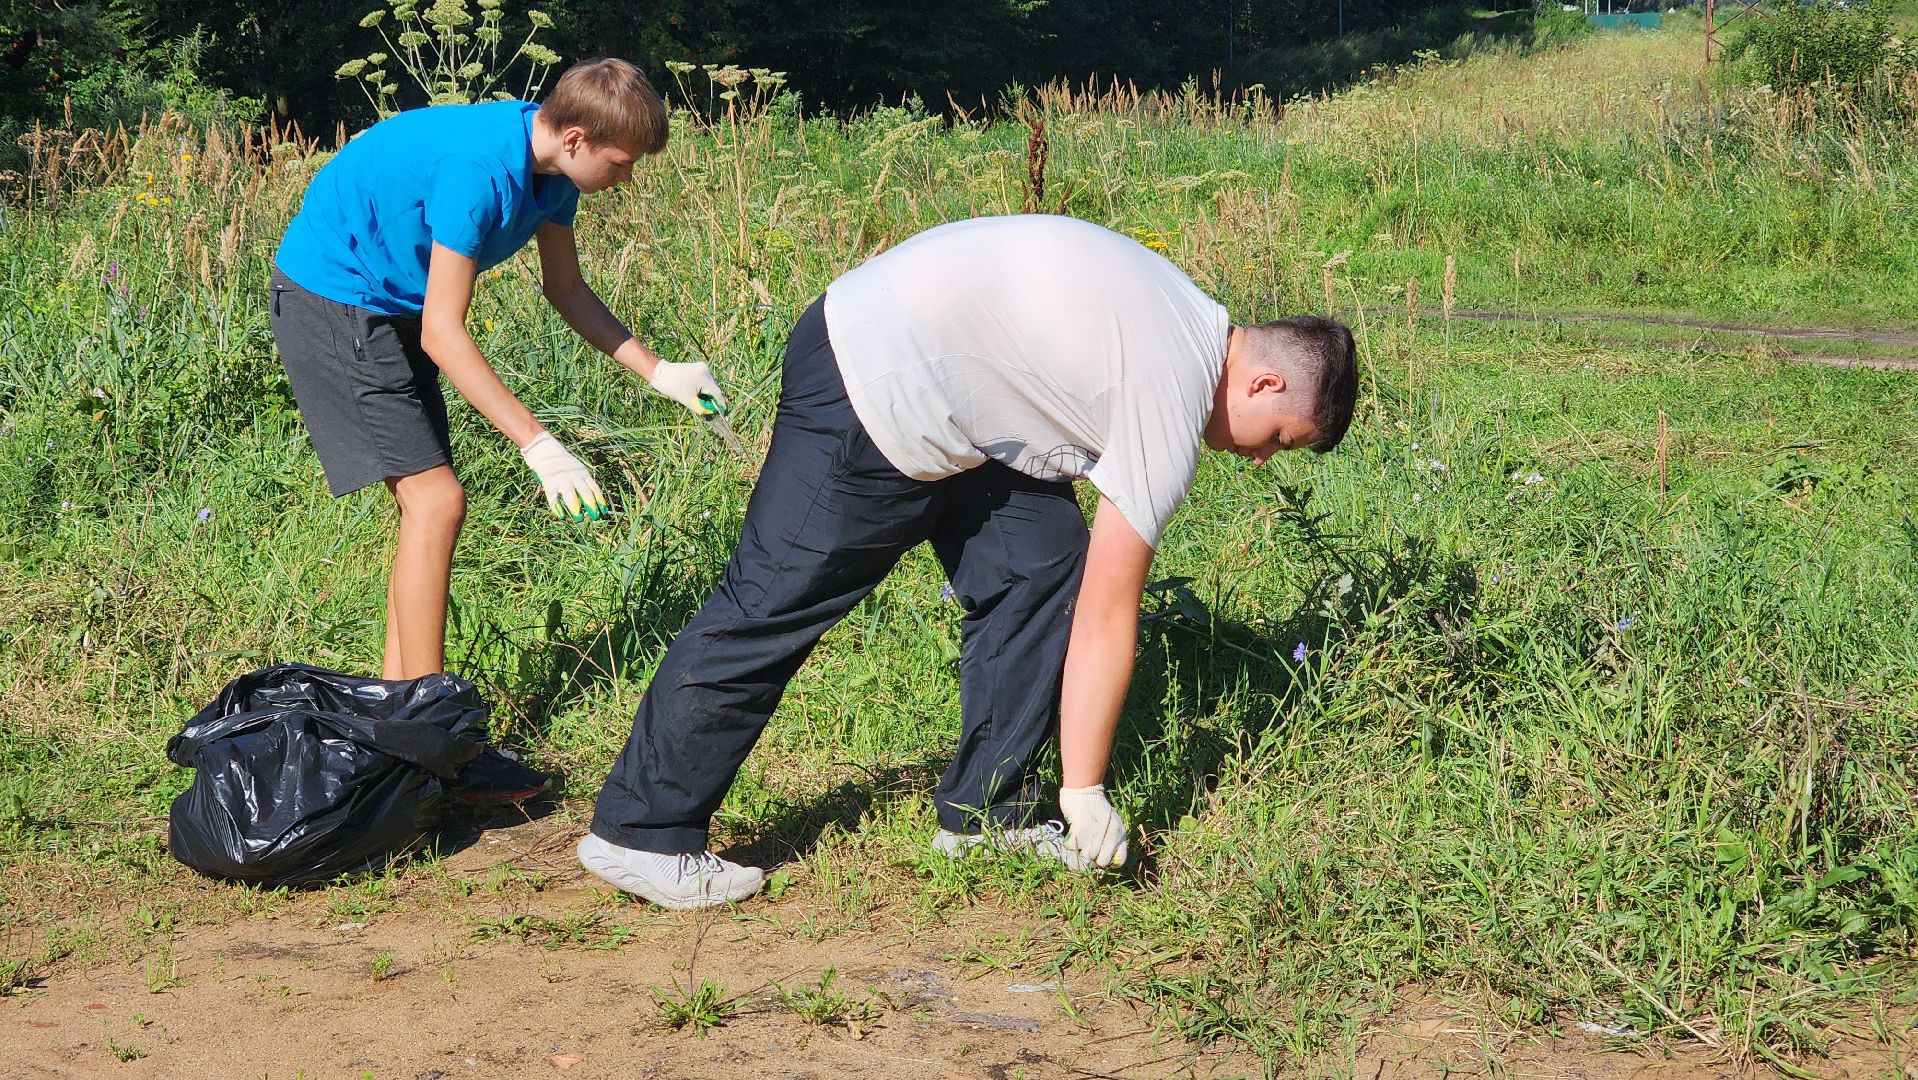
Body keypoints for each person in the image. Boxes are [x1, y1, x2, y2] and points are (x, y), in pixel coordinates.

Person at [577, 214, 1359, 909]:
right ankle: (642, 832)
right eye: (1280, 439)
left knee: (1043, 567)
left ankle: (991, 814)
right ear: (1263, 381)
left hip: (959, 399)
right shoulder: (1174, 387)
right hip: (871, 375)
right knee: (771, 603)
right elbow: (1109, 613)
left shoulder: (1190, 316)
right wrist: (1084, 790)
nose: (1261, 460)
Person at [269, 57, 725, 685]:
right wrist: (540, 446)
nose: (624, 179)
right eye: (620, 163)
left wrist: (659, 372)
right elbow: (444, 334)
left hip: (395, 300)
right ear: (575, 139)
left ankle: (401, 707)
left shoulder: (556, 175)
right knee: (437, 502)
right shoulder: (477, 173)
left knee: (427, 508)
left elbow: (565, 289)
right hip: (335, 296)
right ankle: (424, 724)